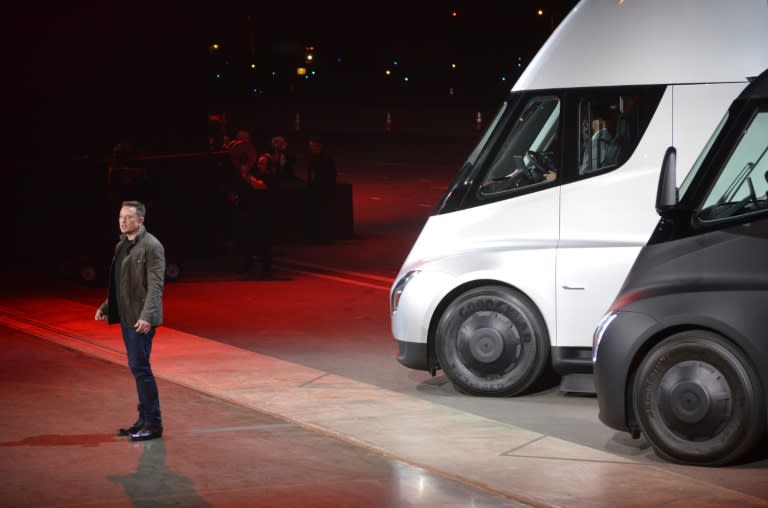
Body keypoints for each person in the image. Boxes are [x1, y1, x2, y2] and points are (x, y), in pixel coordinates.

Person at [95, 200, 165, 442]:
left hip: (140, 318)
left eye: (128, 217)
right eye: (121, 217)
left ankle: (153, 424)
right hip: (126, 315)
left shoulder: (152, 246)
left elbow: (155, 286)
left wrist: (147, 316)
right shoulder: (121, 246)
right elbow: (118, 283)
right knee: (137, 368)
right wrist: (106, 306)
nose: (123, 221)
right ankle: (144, 419)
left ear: (141, 220)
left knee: (141, 368)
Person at [234, 151, 275, 278]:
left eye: (262, 164)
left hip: (266, 215)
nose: (259, 165)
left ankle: (266, 270)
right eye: (258, 163)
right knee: (248, 239)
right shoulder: (257, 174)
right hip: (254, 213)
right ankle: (248, 264)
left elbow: (258, 186)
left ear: (268, 165)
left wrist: (247, 175)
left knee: (264, 243)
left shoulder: (271, 177)